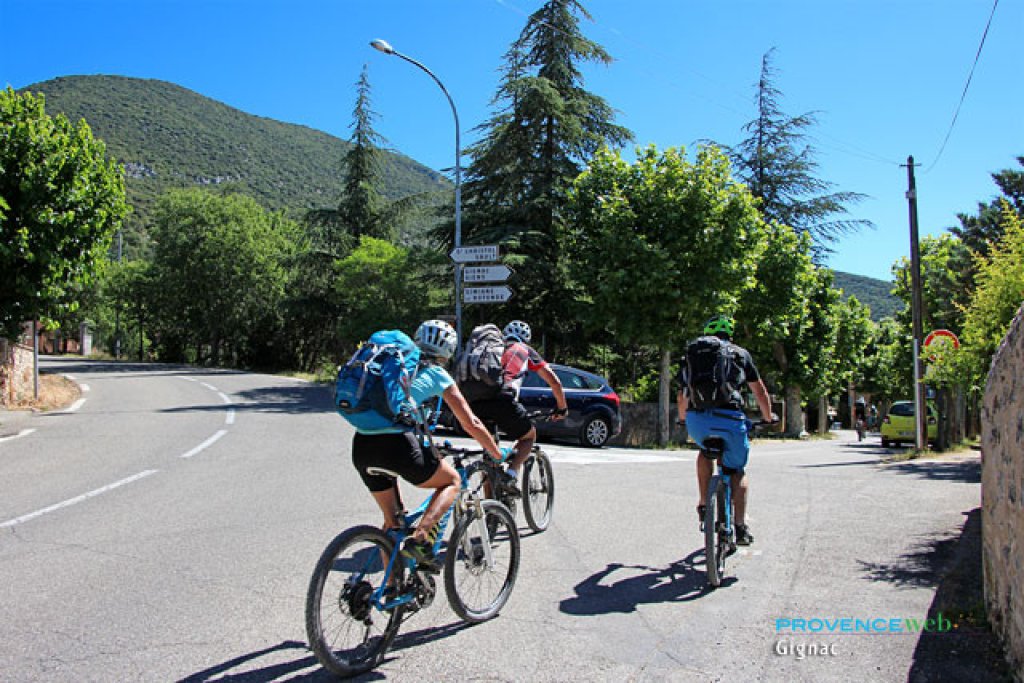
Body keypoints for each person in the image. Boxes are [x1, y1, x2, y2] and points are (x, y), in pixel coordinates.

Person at [350, 319, 505, 572]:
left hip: (363, 445)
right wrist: (496, 454)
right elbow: (471, 422)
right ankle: (421, 537)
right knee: (452, 481)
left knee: (392, 523)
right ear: (449, 351)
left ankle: (391, 590)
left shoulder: (392, 366)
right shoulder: (436, 373)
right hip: (397, 446)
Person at [676, 314, 775, 546]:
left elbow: (682, 395)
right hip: (730, 420)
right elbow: (760, 392)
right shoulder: (740, 354)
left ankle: (703, 503)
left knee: (704, 452)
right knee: (737, 471)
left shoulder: (694, 355)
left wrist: (683, 419)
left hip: (698, 420)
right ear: (730, 335)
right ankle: (739, 527)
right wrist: (768, 418)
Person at [466, 320, 568, 494]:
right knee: (528, 436)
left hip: (475, 402)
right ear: (526, 339)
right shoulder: (524, 350)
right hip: (503, 400)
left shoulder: (492, 349)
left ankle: (491, 510)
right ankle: (511, 474)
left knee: (490, 454)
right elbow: (554, 382)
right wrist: (562, 408)